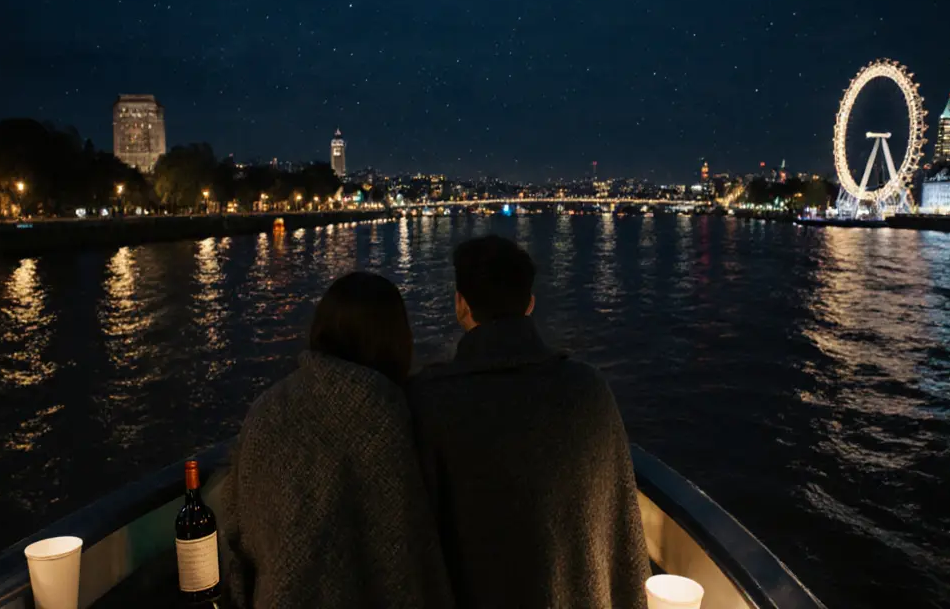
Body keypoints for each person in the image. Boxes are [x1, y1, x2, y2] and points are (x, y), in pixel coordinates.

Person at [408, 235, 650, 609]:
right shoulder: (587, 389)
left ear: (461, 304)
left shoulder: (430, 402)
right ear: (530, 304)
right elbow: (621, 531)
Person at [222, 272, 453, 609]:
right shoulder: (387, 416)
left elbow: (239, 534)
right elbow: (408, 555)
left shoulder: (266, 410)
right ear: (396, 339)